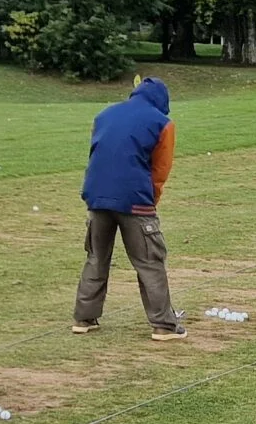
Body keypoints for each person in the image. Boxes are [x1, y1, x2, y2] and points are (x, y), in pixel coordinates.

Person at [73, 76, 186, 341]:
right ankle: (164, 325)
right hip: (134, 199)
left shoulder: (104, 115)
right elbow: (160, 169)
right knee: (149, 261)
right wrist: (151, 200)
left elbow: (98, 153)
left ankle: (83, 318)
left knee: (96, 257)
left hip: (96, 196)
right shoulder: (162, 123)